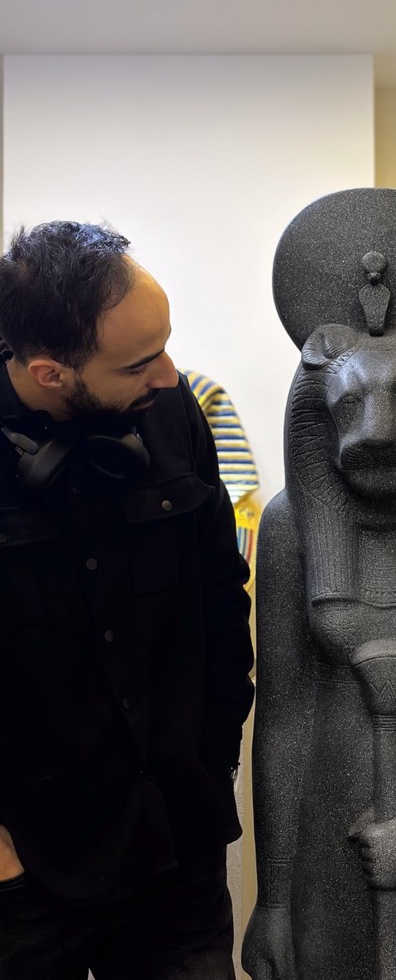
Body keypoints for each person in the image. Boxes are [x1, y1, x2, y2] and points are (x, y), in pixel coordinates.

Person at [0, 221, 254, 979]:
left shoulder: (174, 413)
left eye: (166, 347)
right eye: (141, 363)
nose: (170, 376)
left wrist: (215, 755)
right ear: (51, 373)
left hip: (177, 846)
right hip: (27, 875)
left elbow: (221, 595)